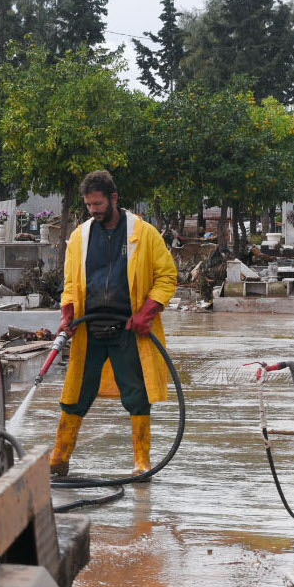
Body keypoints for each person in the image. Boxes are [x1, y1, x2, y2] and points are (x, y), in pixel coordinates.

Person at [50, 170, 177, 478]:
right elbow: (70, 283)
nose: (93, 210)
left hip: (128, 331)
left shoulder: (144, 234)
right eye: (88, 205)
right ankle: (59, 457)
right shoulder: (79, 237)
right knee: (75, 393)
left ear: (114, 199)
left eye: (98, 204)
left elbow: (166, 277)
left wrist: (146, 313)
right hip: (89, 330)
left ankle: (141, 462)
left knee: (137, 394)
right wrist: (68, 314)